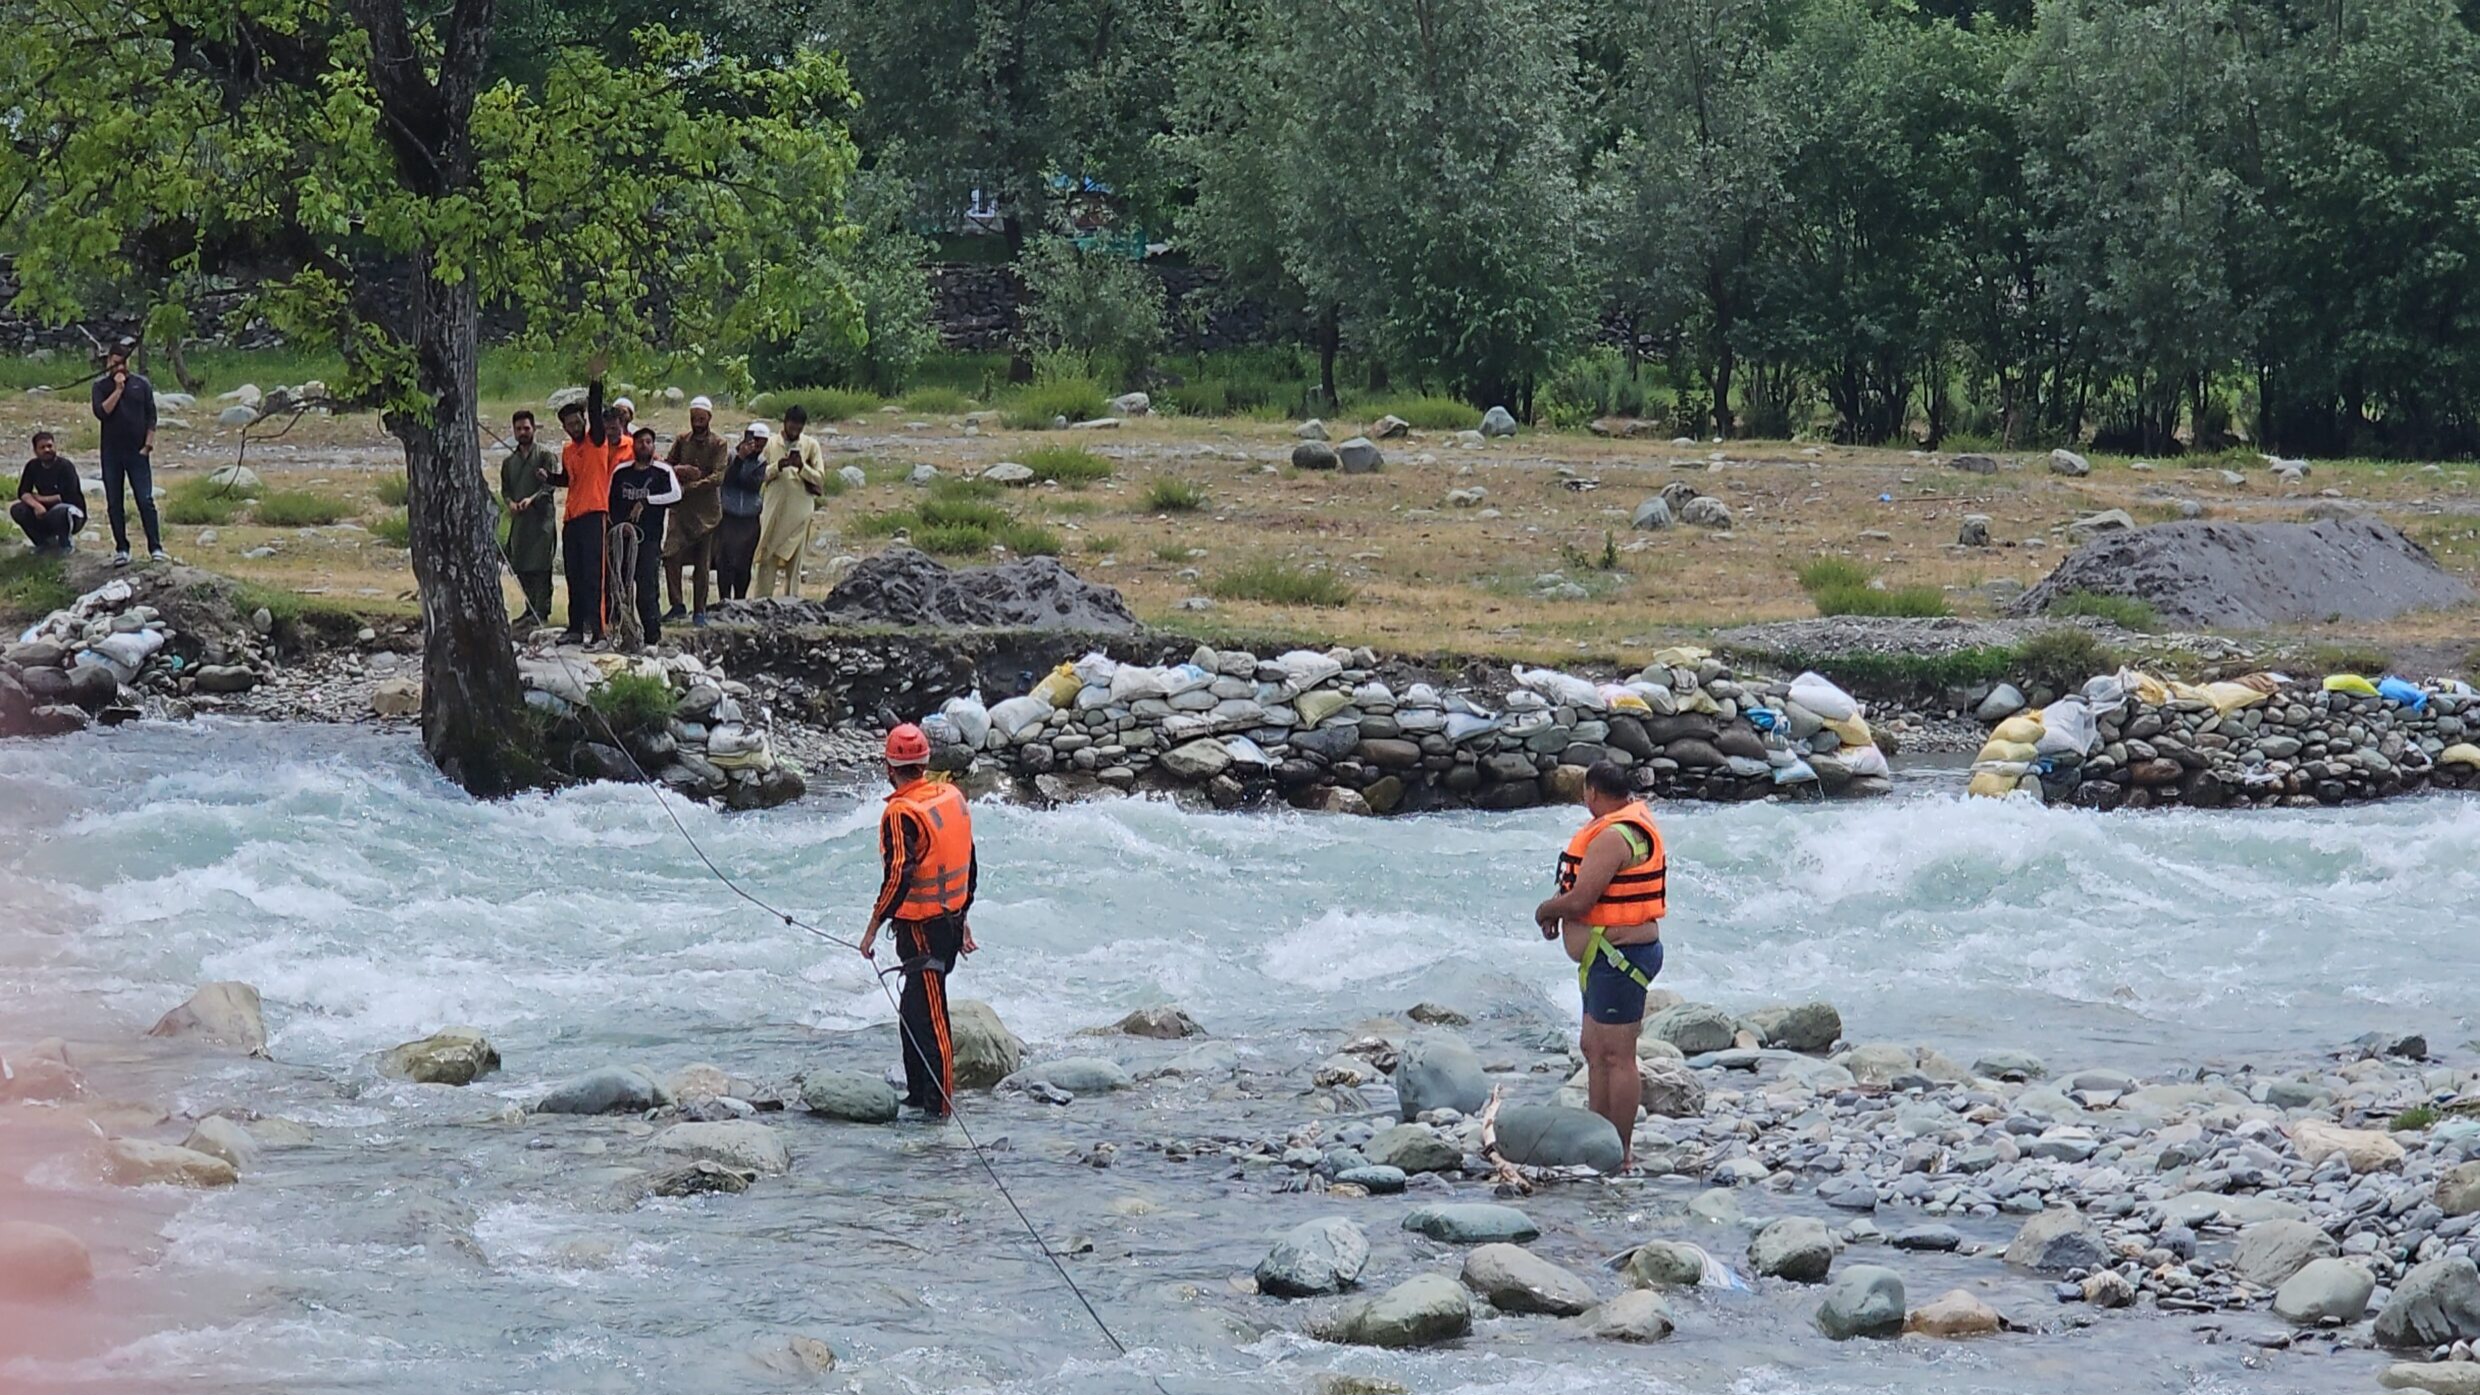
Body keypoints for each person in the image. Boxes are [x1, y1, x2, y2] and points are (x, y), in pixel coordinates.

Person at [1532, 760, 1668, 1171]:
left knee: (1617, 1056)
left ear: (1592, 792)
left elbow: (1581, 901)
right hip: (1603, 958)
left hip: (1620, 959)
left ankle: (1620, 1151)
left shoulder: (1614, 836)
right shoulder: (1622, 823)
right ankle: (1598, 1139)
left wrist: (1546, 909)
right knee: (1594, 1049)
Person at [858, 723, 980, 1120]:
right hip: (948, 920)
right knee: (913, 1010)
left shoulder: (901, 812)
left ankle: (940, 1110)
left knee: (931, 1021)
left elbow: (898, 875)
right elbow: (969, 861)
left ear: (889, 766)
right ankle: (916, 1095)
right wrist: (964, 916)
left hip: (923, 930)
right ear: (925, 762)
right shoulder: (950, 797)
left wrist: (873, 926)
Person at [549, 366, 626, 645]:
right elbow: (570, 480)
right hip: (571, 517)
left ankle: (599, 630)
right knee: (574, 575)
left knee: (595, 575)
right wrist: (549, 478)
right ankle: (575, 628)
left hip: (595, 514)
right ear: (565, 427)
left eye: (577, 421)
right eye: (569, 424)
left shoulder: (597, 441)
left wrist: (595, 381)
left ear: (583, 420)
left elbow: (595, 410)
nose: (574, 427)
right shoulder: (569, 450)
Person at [88, 338, 163, 566]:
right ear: (109, 361)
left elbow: (151, 415)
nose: (121, 368)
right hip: (111, 453)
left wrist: (148, 444)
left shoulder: (141, 384)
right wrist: (118, 389)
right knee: (114, 502)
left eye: (124, 363)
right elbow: (102, 412)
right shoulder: (100, 387)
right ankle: (122, 548)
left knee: (145, 499)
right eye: (116, 362)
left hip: (137, 452)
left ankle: (155, 547)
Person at [610, 425, 682, 645]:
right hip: (622, 540)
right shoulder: (621, 472)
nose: (644, 445)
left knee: (647, 589)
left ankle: (653, 637)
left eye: (648, 442)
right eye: (640, 442)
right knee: (619, 587)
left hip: (649, 539)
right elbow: (610, 501)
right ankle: (620, 632)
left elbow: (676, 495)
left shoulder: (662, 471)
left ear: (654, 445)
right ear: (634, 445)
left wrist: (647, 501)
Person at [662, 396, 727, 625]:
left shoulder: (718, 444)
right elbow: (666, 466)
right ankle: (677, 605)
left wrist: (691, 486)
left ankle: (699, 610)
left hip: (706, 514)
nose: (697, 423)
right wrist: (681, 469)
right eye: (693, 418)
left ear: (709, 418)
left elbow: (718, 477)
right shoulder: (682, 440)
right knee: (670, 556)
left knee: (702, 563)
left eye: (701, 419)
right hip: (681, 510)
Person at [753, 405, 827, 598]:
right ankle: (762, 602)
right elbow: (759, 474)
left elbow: (819, 478)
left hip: (800, 514)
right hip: (774, 512)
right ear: (784, 423)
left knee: (794, 566)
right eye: (792, 426)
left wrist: (801, 467)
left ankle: (791, 604)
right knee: (767, 559)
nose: (794, 431)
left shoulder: (811, 445)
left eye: (799, 428)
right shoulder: (770, 444)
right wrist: (779, 465)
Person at [500, 410, 561, 626]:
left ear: (533, 429)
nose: (523, 432)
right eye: (518, 429)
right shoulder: (509, 461)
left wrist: (531, 499)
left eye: (526, 428)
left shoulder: (545, 456)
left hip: (541, 521)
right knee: (521, 565)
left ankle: (541, 613)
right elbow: (505, 489)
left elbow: (550, 485)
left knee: (541, 568)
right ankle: (529, 609)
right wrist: (510, 504)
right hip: (520, 523)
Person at [715, 423, 770, 601]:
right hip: (728, 516)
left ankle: (740, 599)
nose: (759, 446)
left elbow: (752, 485)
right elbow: (728, 479)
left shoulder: (761, 463)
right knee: (725, 562)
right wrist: (740, 459)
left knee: (744, 564)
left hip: (749, 518)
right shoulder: (730, 456)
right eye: (756, 441)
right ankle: (724, 599)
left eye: (763, 443)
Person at [11, 432, 85, 552]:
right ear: (35, 450)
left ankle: (66, 545)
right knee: (18, 509)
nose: (47, 450)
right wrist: (37, 505)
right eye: (42, 447)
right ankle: (42, 544)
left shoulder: (65, 466)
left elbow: (68, 496)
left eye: (50, 446)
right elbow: (23, 492)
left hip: (72, 513)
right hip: (44, 512)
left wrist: (40, 498)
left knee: (60, 511)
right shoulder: (32, 466)